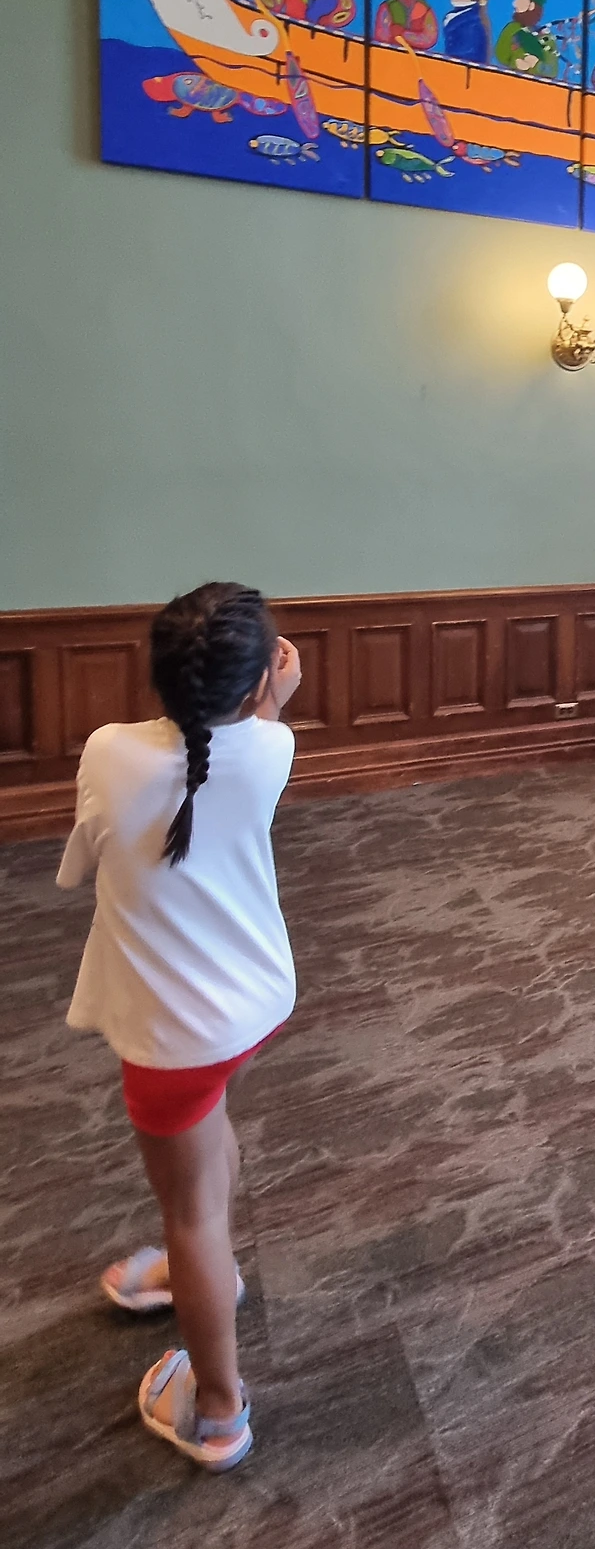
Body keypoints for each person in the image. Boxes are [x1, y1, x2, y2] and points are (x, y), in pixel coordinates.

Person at [57, 583, 302, 1472]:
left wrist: (259, 695)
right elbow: (245, 739)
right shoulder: (272, 746)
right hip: (252, 1006)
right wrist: (274, 699)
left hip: (172, 1036)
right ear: (258, 686)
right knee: (208, 1133)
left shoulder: (107, 751)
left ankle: (220, 1411)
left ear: (155, 673)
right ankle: (207, 1267)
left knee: (189, 1213)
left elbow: (88, 859)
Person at [494, 0, 557, 76]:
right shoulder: (511, 28)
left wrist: (536, 65)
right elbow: (501, 55)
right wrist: (516, 63)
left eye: (520, 1)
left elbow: (552, 70)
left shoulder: (545, 36)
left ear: (531, 6)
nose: (514, 4)